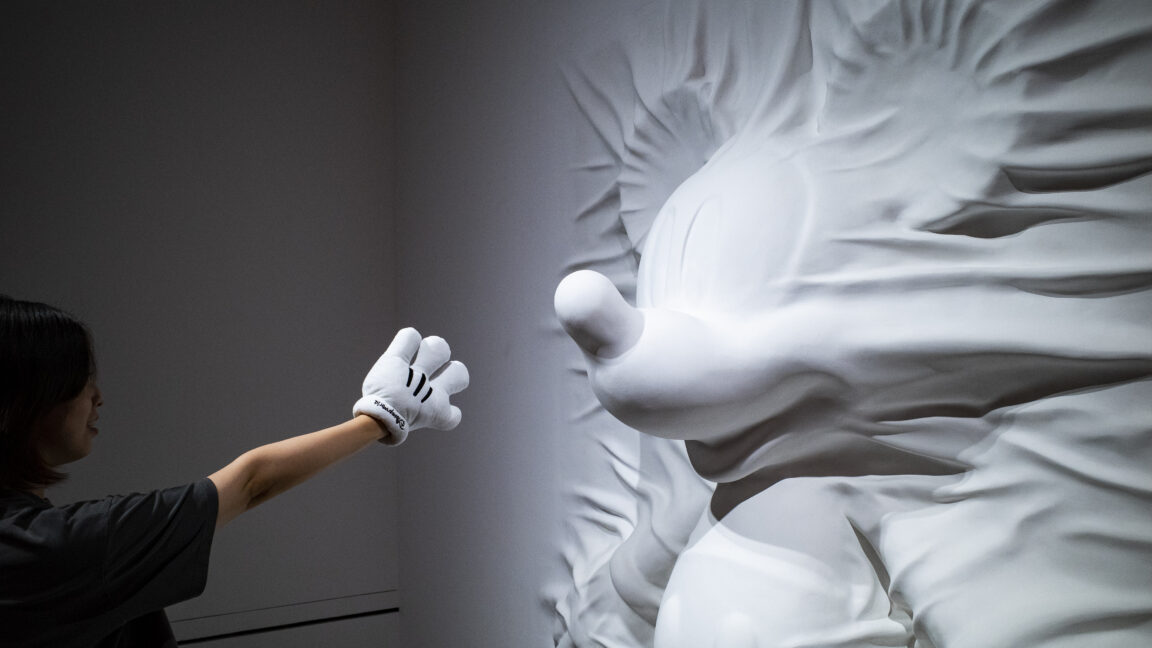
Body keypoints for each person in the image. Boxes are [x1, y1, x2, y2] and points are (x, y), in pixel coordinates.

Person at [0, 294, 469, 647]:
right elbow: (250, 482)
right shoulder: (50, 549)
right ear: (24, 402)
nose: (96, 397)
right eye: (81, 381)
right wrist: (382, 416)